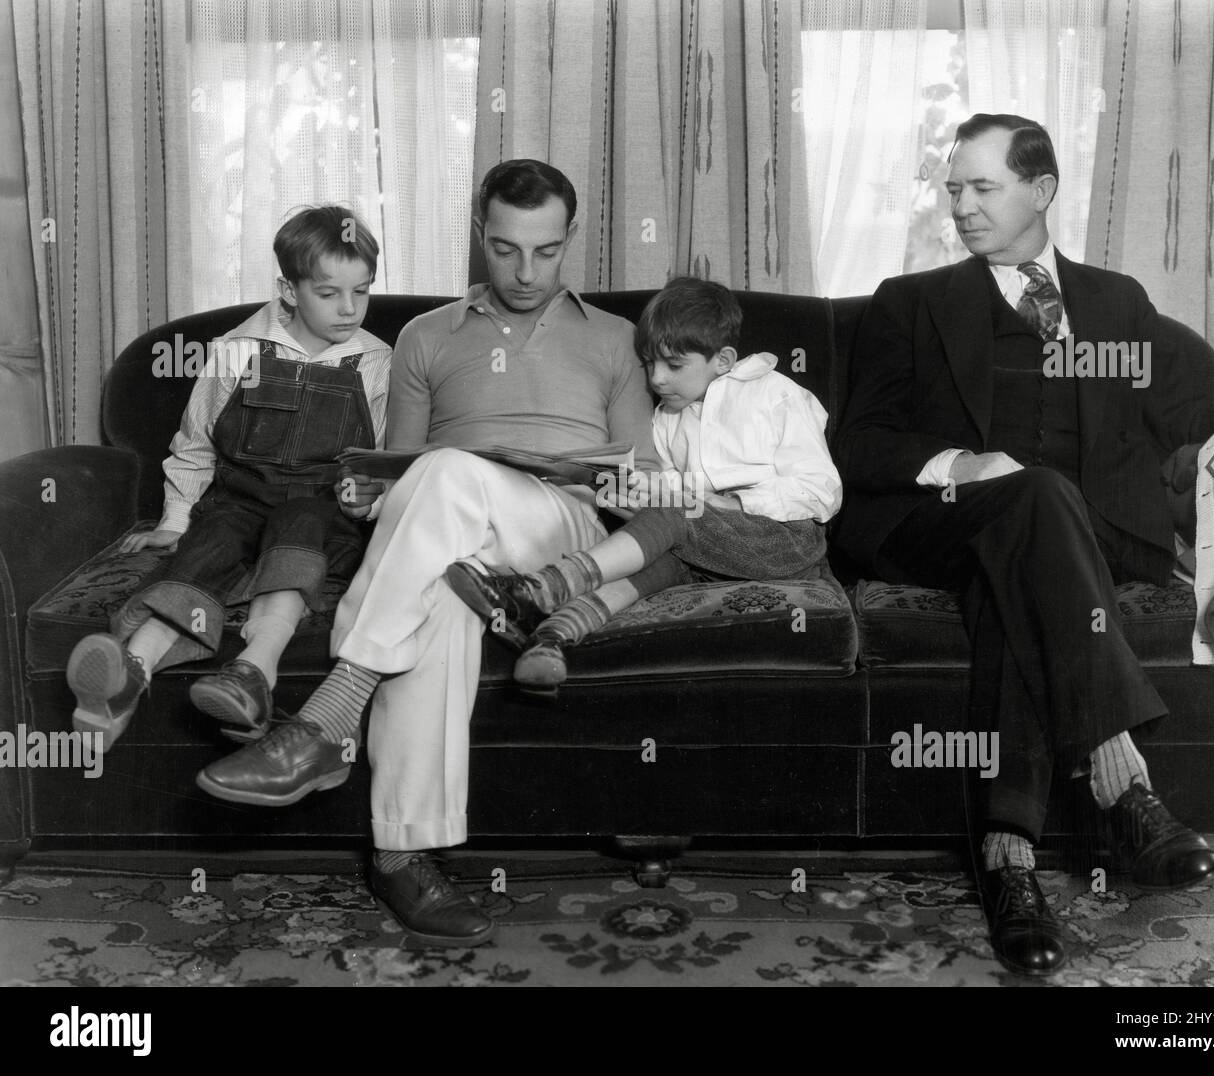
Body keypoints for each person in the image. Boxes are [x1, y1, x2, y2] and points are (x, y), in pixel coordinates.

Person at [833, 113, 1214, 977]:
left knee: (1024, 570)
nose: (960, 207)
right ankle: (1123, 783)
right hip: (943, 525)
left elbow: (1180, 420)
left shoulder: (1113, 302)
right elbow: (858, 445)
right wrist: (964, 462)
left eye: (983, 187)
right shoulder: (913, 303)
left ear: (1041, 191)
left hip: (1088, 542)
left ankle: (1007, 860)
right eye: (954, 189)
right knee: (1033, 499)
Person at [195, 160, 659, 948]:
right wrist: (363, 494)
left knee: (449, 476)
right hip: (448, 530)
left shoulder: (618, 339)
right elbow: (395, 478)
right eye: (506, 249)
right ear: (481, 236)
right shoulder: (423, 336)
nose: (524, 270)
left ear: (570, 239)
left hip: (558, 524)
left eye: (546, 252)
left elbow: (644, 486)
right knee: (441, 582)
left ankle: (321, 724)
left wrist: (587, 471)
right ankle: (403, 855)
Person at [66, 205, 390, 758]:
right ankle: (129, 674)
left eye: (361, 292)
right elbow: (194, 444)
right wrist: (173, 522)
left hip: (321, 511)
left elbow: (380, 462)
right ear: (288, 289)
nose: (348, 309)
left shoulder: (376, 361)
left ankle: (254, 670)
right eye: (329, 293)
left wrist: (367, 497)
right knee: (211, 542)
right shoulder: (235, 352)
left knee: (300, 522)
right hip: (239, 501)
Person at [443, 276, 841, 692]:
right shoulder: (667, 418)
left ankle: (546, 584)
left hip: (787, 543)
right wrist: (631, 494)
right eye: (650, 363)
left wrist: (730, 504)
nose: (657, 379)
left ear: (722, 360)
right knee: (657, 565)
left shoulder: (776, 396)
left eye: (673, 365)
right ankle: (550, 639)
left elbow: (820, 490)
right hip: (709, 552)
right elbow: (672, 495)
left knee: (677, 514)